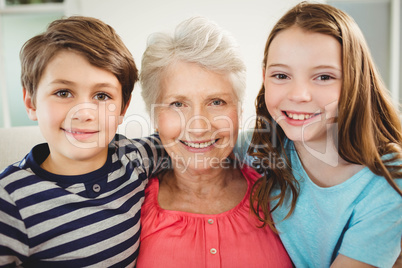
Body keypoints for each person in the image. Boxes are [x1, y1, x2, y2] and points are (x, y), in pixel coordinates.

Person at [235, 2, 402, 267]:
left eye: (324, 77)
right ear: (264, 77)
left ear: (355, 81)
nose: (299, 95)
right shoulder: (259, 146)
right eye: (281, 75)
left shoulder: (389, 178)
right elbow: (175, 146)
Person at [0, 16, 164, 267]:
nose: (83, 113)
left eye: (101, 95)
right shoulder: (10, 199)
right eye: (63, 93)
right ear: (31, 102)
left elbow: (185, 141)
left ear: (123, 108)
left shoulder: (135, 158)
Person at [136, 16, 292, 268]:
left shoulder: (278, 193)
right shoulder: (130, 205)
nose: (198, 126)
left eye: (216, 102)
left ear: (239, 111)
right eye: (178, 104)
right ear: (155, 116)